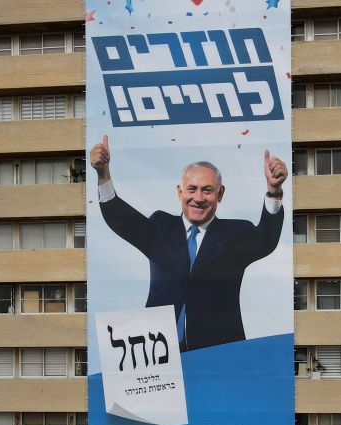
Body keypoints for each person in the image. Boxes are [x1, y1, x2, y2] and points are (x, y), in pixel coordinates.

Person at [90, 134, 287, 351]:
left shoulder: (235, 234)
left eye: (207, 190)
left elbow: (266, 240)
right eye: (192, 189)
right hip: (158, 355)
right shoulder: (161, 227)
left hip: (217, 353)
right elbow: (121, 219)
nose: (199, 198)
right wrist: (103, 174)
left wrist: (274, 191)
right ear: (179, 192)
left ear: (220, 194)